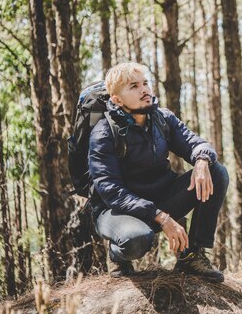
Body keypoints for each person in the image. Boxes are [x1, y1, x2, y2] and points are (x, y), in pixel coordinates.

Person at [88, 62, 228, 282]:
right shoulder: (103, 133)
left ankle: (192, 256)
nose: (144, 90)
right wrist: (161, 217)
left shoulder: (162, 119)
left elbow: (194, 143)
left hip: (159, 199)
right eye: (133, 86)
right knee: (138, 239)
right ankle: (117, 254)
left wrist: (201, 160)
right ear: (117, 100)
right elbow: (111, 192)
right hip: (116, 211)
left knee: (216, 172)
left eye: (145, 83)